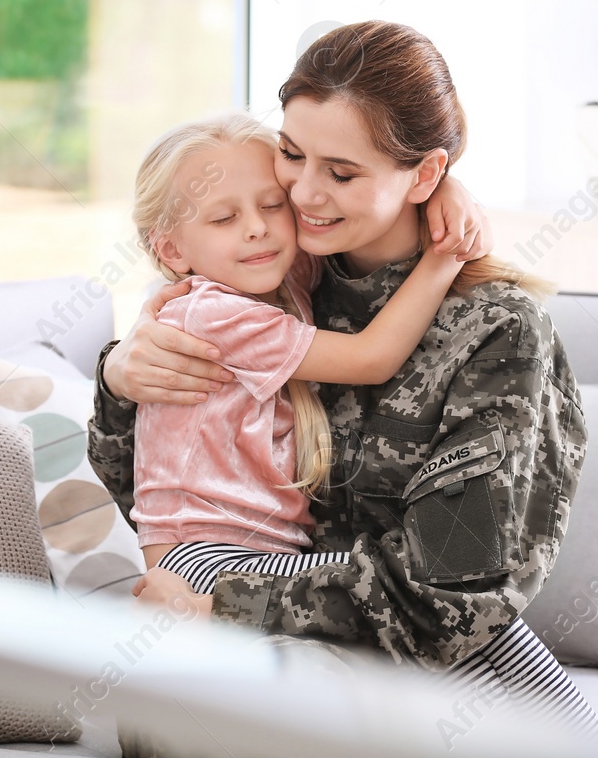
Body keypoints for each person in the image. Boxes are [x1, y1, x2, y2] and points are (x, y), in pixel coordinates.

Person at [89, 21, 598, 753]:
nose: (301, 194)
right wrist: (121, 377)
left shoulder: (496, 332)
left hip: (395, 663)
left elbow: (446, 601)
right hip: (250, 632)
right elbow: (143, 487)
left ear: (424, 176)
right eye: (292, 154)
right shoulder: (279, 276)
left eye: (341, 173)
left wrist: (221, 607)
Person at [126, 110, 471, 590]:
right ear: (172, 251)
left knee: (442, 616)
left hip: (259, 551)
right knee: (413, 590)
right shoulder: (211, 314)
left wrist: (438, 188)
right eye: (224, 218)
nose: (257, 228)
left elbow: (366, 211)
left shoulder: (279, 280)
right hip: (203, 557)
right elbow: (370, 359)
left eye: (272, 205)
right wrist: (448, 252)